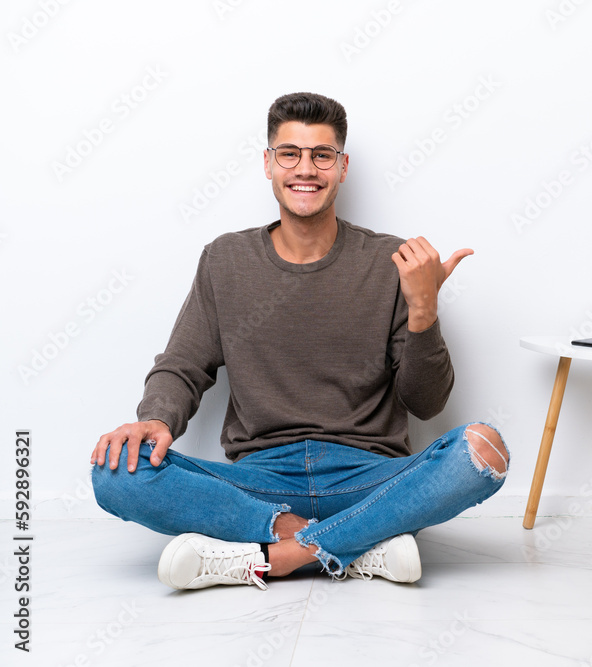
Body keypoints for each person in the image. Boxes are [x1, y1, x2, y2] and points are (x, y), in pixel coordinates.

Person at [90, 92, 509, 590]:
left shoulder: (393, 261)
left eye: (321, 155)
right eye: (290, 153)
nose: (304, 169)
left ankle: (276, 557)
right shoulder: (225, 260)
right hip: (259, 483)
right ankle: (353, 545)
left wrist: (423, 310)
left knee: (484, 449)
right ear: (268, 164)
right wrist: (154, 420)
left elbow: (426, 402)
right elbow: (183, 363)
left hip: (369, 479)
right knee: (115, 472)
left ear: (342, 167)